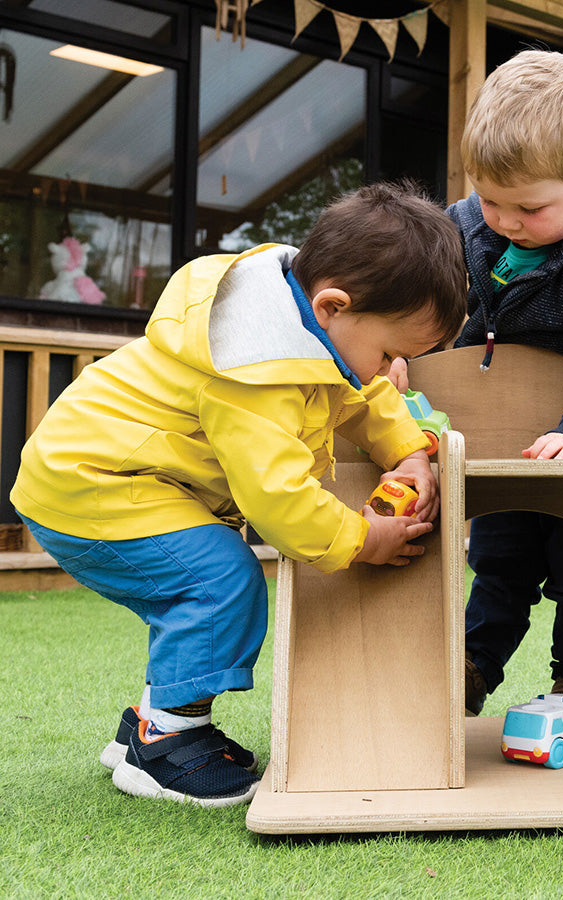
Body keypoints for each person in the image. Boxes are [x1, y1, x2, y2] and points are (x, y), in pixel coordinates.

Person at [10, 181, 467, 807]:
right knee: (217, 584)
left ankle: (148, 724)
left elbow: (365, 396)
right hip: (92, 485)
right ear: (332, 305)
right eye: (390, 352)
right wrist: (364, 538)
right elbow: (276, 496)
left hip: (128, 480)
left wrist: (410, 449)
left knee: (201, 581)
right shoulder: (254, 366)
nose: (389, 371)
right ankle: (165, 745)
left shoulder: (312, 330)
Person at [394, 49, 563, 716]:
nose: (506, 222)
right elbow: (430, 301)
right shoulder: (467, 224)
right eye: (490, 199)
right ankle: (475, 666)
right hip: (497, 433)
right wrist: (400, 352)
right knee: (499, 558)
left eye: (529, 208)